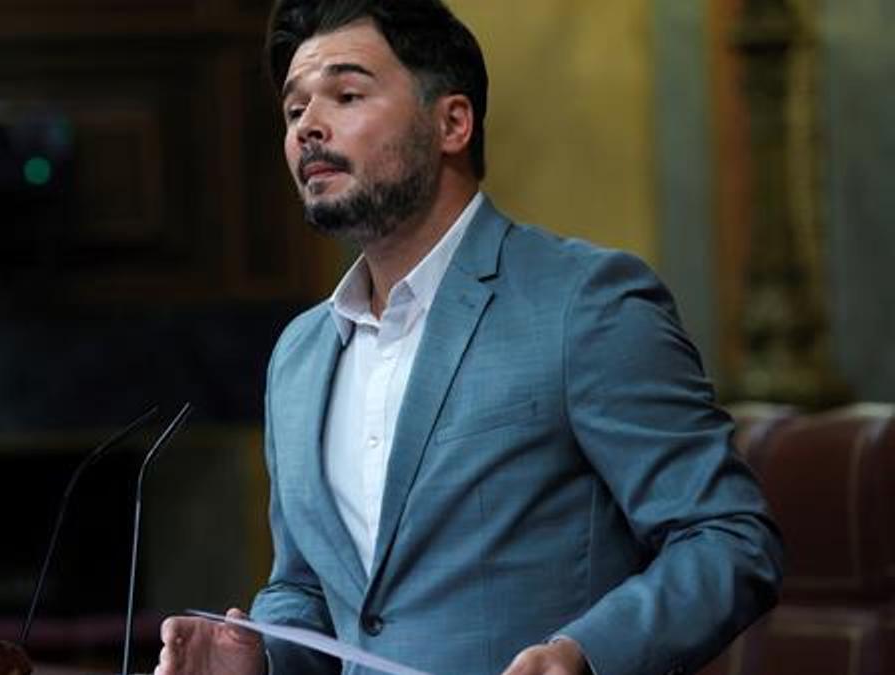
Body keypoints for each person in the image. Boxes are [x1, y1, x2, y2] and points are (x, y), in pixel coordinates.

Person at [155, 1, 783, 673]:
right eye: (293, 109)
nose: (308, 126)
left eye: (345, 94)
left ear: (452, 122)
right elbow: (308, 588)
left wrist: (587, 655)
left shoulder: (586, 302)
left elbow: (728, 538)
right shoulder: (299, 356)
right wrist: (259, 659)